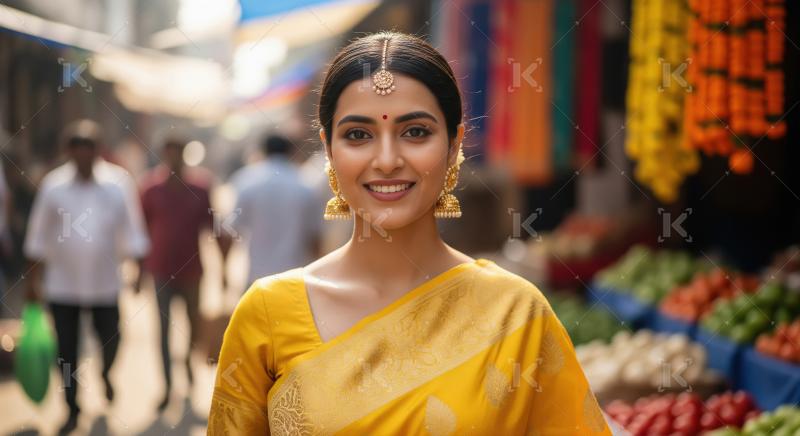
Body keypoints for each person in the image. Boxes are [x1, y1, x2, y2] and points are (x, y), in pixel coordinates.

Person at [208, 32, 610, 435]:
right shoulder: (267, 314)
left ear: (454, 145)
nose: (386, 160)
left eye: (415, 132)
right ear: (329, 150)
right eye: (358, 135)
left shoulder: (516, 314)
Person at [24, 120, 149, 434]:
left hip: (105, 283)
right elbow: (37, 237)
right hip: (62, 285)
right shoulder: (53, 186)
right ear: (69, 153)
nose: (83, 158)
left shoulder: (118, 183)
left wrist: (138, 270)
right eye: (77, 152)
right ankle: (72, 407)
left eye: (88, 151)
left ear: (97, 152)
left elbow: (133, 230)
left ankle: (106, 374)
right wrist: (32, 282)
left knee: (112, 340)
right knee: (67, 350)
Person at [139, 137, 230, 412]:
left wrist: (223, 269)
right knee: (163, 331)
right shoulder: (150, 189)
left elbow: (214, 230)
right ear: (164, 154)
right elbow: (140, 233)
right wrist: (137, 271)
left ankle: (189, 373)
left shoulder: (200, 189)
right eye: (170, 152)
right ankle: (167, 387)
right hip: (160, 271)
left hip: (192, 272)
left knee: (192, 328)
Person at [228, 134, 322, 286]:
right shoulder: (305, 184)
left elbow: (231, 231)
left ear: (263, 151)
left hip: (257, 279)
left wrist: (223, 273)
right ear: (291, 152)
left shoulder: (246, 180)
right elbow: (315, 238)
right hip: (296, 279)